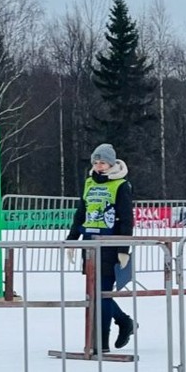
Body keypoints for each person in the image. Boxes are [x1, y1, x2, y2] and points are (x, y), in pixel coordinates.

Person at [66, 143, 134, 352]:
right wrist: (72, 239)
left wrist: (123, 248)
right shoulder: (89, 183)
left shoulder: (120, 185)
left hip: (109, 245)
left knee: (101, 292)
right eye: (96, 162)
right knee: (95, 293)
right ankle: (123, 321)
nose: (98, 166)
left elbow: (126, 219)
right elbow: (81, 213)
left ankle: (101, 341)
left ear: (111, 164)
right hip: (90, 244)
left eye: (102, 162)